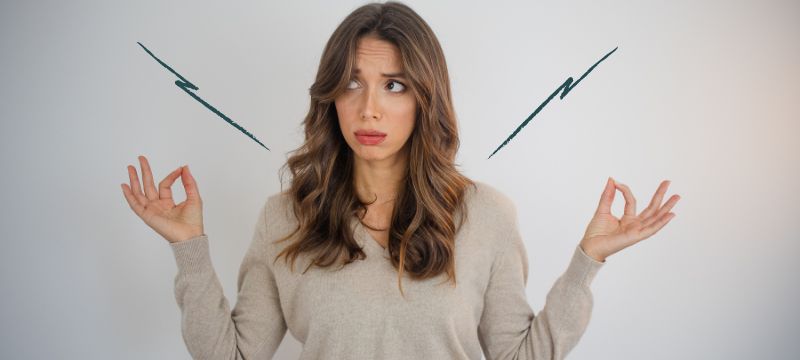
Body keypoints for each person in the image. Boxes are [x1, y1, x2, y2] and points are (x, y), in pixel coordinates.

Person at [120, 2, 680, 359]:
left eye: (394, 85)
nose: (369, 109)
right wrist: (189, 249)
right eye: (352, 83)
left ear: (424, 97)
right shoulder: (284, 217)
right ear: (329, 96)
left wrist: (588, 262)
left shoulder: (486, 215)